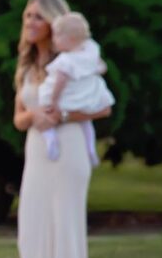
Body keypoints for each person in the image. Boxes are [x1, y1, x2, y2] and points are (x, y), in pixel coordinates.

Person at [13, 0, 115, 258]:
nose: (30, 23)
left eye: (37, 17)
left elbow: (103, 106)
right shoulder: (27, 67)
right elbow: (18, 118)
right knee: (33, 235)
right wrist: (34, 117)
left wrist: (65, 116)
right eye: (27, 16)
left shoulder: (75, 61)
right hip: (37, 152)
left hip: (68, 149)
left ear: (54, 23)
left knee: (65, 232)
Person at [40, 12, 114, 165]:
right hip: (86, 96)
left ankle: (50, 137)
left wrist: (53, 100)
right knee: (86, 123)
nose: (54, 40)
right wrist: (91, 72)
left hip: (68, 96)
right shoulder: (91, 49)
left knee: (45, 111)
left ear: (70, 39)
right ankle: (91, 150)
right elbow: (102, 66)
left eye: (57, 37)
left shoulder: (66, 60)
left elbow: (59, 82)